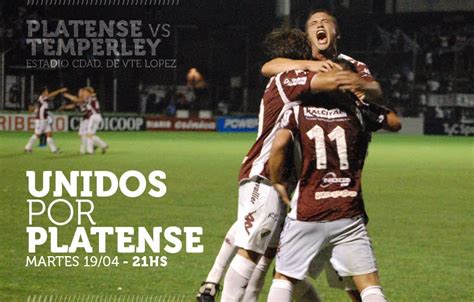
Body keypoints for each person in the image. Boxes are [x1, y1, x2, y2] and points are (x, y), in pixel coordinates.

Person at [215, 28, 353, 302]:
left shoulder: (294, 78)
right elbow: (271, 66)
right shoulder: (289, 77)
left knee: (275, 258)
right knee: (251, 251)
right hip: (265, 173)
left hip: (289, 182)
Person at [266, 61, 401, 301]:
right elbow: (394, 123)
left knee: (284, 278)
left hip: (308, 210)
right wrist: (363, 96)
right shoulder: (358, 111)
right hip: (347, 211)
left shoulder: (298, 110)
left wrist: (277, 180)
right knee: (368, 285)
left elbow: (279, 143)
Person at [24, 86, 67, 153]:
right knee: (37, 135)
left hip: (45, 120)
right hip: (41, 120)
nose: (48, 92)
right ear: (43, 92)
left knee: (49, 134)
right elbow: (52, 94)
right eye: (46, 91)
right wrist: (60, 90)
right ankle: (27, 147)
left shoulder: (43, 99)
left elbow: (51, 97)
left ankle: (54, 150)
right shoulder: (42, 97)